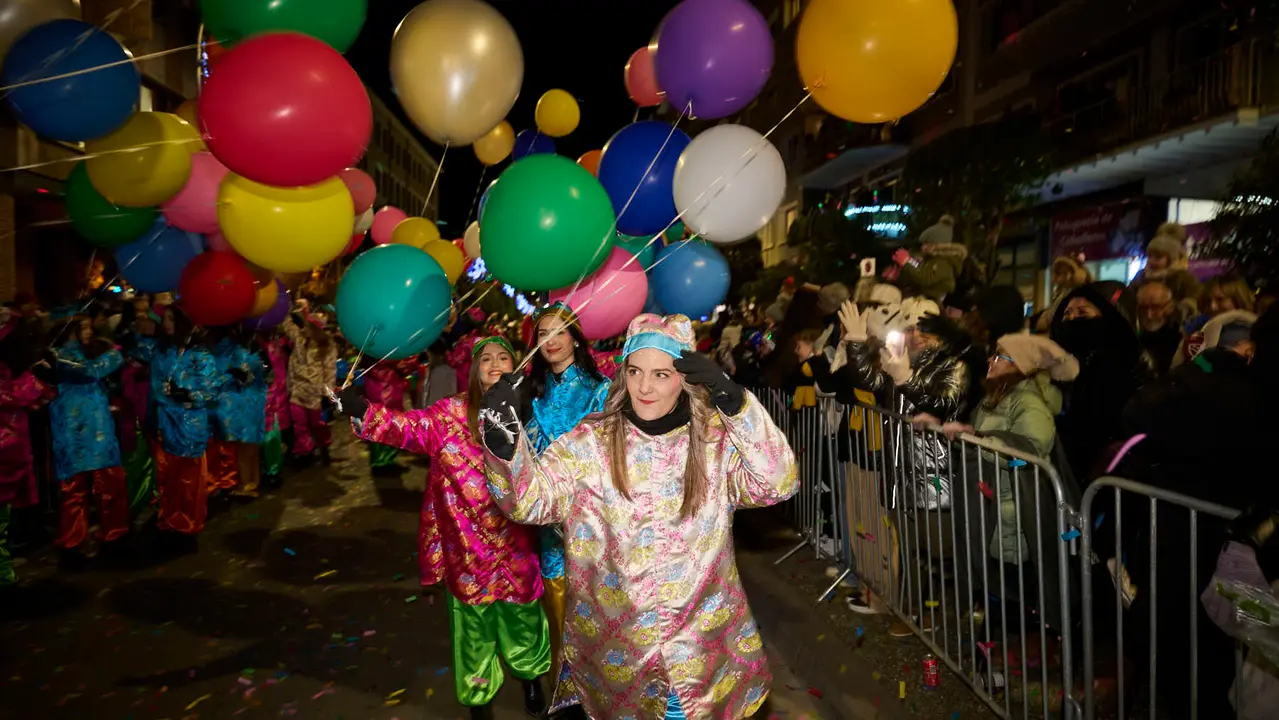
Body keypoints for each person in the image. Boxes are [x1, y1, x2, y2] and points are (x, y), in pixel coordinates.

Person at [479, 314, 798, 720]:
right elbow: (527, 501)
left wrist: (737, 404)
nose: (645, 387)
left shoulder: (714, 441)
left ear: (684, 378)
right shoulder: (589, 442)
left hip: (700, 650)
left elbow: (778, 482)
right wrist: (505, 445)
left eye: (662, 374)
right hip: (618, 654)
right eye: (635, 371)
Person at [341, 336, 549, 720]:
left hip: (517, 543)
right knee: (474, 629)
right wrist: (361, 409)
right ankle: (478, 696)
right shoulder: (449, 415)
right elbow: (404, 427)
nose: (495, 363)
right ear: (473, 369)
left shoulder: (533, 414)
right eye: (486, 358)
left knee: (523, 615)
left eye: (504, 357)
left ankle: (531, 676)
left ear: (517, 365)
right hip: (466, 548)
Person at [522, 303, 610, 716]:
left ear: (575, 336)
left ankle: (603, 692)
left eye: (559, 331)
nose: (551, 341)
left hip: (590, 521)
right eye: (542, 334)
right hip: (548, 524)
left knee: (595, 608)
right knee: (558, 608)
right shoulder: (532, 392)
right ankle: (567, 693)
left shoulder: (599, 389)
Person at [49, 315, 129, 562]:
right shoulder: (60, 356)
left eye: (88, 326)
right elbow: (90, 371)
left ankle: (111, 534)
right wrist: (114, 355)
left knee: (108, 483)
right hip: (74, 431)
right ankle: (75, 540)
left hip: (97, 428)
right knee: (76, 488)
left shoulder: (81, 353)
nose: (88, 331)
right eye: (82, 327)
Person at [139, 306, 220, 547]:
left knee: (190, 480)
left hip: (191, 426)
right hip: (166, 423)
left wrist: (186, 394)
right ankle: (170, 518)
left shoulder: (200, 354)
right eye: (163, 319)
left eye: (170, 319)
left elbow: (212, 391)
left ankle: (189, 523)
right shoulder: (161, 351)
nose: (165, 324)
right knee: (169, 477)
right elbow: (154, 389)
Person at [0, 308, 53, 586]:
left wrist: (42, 377)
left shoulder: (12, 363)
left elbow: (35, 400)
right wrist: (33, 379)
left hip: (13, 451)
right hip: (5, 452)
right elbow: (11, 395)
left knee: (4, 518)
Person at [211, 328, 268, 498]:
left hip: (243, 403)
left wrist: (231, 374)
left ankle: (246, 483)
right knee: (251, 444)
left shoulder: (233, 351)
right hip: (254, 401)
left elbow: (242, 378)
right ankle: (253, 480)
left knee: (245, 445)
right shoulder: (252, 349)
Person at [282, 303, 337, 464]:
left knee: (318, 424)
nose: (304, 328)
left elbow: (330, 371)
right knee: (300, 424)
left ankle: (324, 445)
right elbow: (287, 325)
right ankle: (304, 452)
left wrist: (327, 394)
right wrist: (286, 307)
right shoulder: (300, 338)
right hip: (298, 390)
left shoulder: (327, 346)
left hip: (315, 392)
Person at [360, 358, 416, 475]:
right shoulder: (392, 354)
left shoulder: (370, 347)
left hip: (375, 391)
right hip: (389, 392)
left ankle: (382, 462)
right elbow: (403, 367)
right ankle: (384, 462)